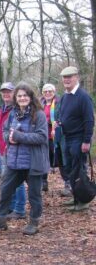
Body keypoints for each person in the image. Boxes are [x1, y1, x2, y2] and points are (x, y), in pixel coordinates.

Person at [0, 82, 49, 235]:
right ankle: (0, 220)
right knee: (5, 189)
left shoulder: (38, 114)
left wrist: (18, 136)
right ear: (15, 98)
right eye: (19, 96)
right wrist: (8, 138)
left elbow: (42, 136)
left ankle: (34, 222)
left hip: (33, 161)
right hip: (15, 160)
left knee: (34, 194)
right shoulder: (13, 113)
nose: (22, 98)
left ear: (30, 97)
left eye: (25, 95)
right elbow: (5, 130)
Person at [58, 66, 95, 211]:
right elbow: (64, 115)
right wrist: (60, 123)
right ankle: (76, 197)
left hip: (79, 139)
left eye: (70, 77)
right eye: (64, 77)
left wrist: (86, 141)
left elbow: (89, 120)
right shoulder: (65, 96)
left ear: (77, 77)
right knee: (70, 169)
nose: (66, 80)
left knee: (79, 170)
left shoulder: (83, 96)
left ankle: (83, 201)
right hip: (67, 138)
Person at [0, 82, 26, 220]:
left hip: (13, 150)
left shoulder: (17, 110)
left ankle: (19, 209)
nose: (6, 94)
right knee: (7, 180)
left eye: (9, 91)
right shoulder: (2, 108)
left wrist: (9, 144)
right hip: (2, 149)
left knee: (16, 180)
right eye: (4, 91)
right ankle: (10, 206)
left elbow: (18, 130)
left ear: (14, 93)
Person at [40, 83, 70, 194]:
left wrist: (55, 123)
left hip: (57, 136)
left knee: (60, 159)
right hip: (43, 136)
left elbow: (63, 117)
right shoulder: (40, 104)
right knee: (43, 159)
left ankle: (67, 183)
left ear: (54, 92)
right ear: (43, 93)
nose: (48, 93)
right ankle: (43, 182)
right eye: (45, 91)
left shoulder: (59, 103)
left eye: (50, 91)